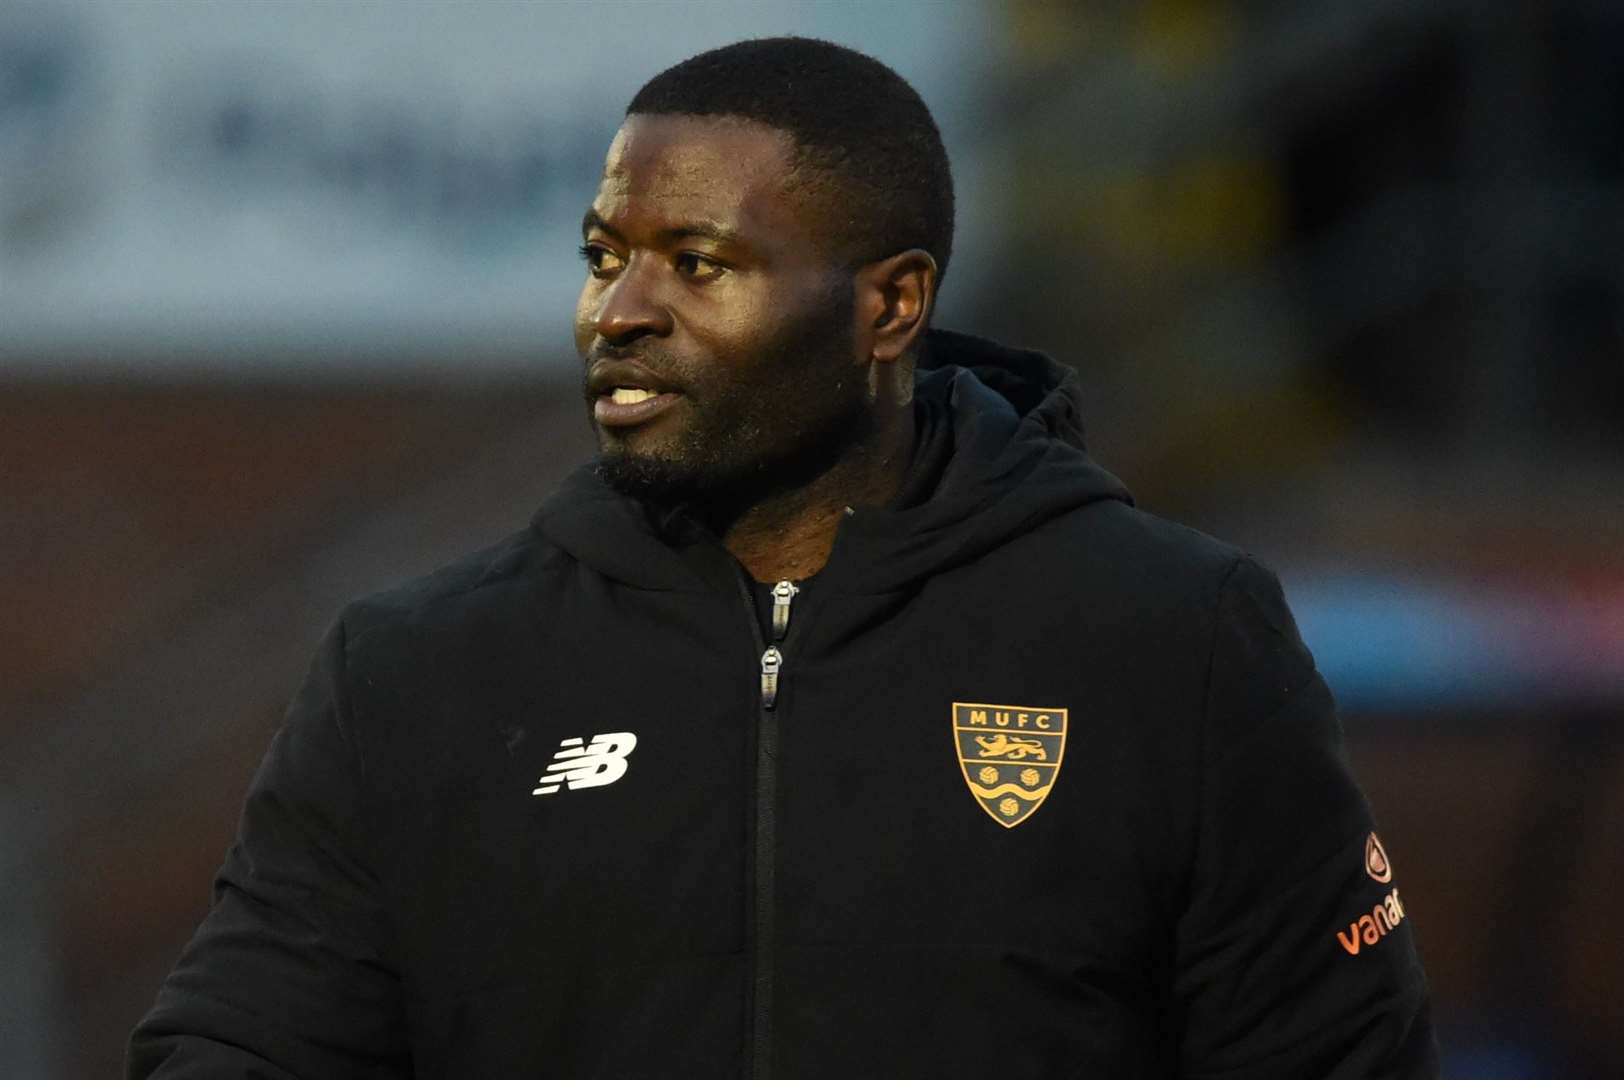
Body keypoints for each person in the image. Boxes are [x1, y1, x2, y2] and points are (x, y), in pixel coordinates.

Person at [130, 37, 1436, 1078]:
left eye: (698, 264)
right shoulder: (422, 670)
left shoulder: (1172, 636)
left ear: (890, 305)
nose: (620, 313)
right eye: (605, 258)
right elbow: (244, 1042)